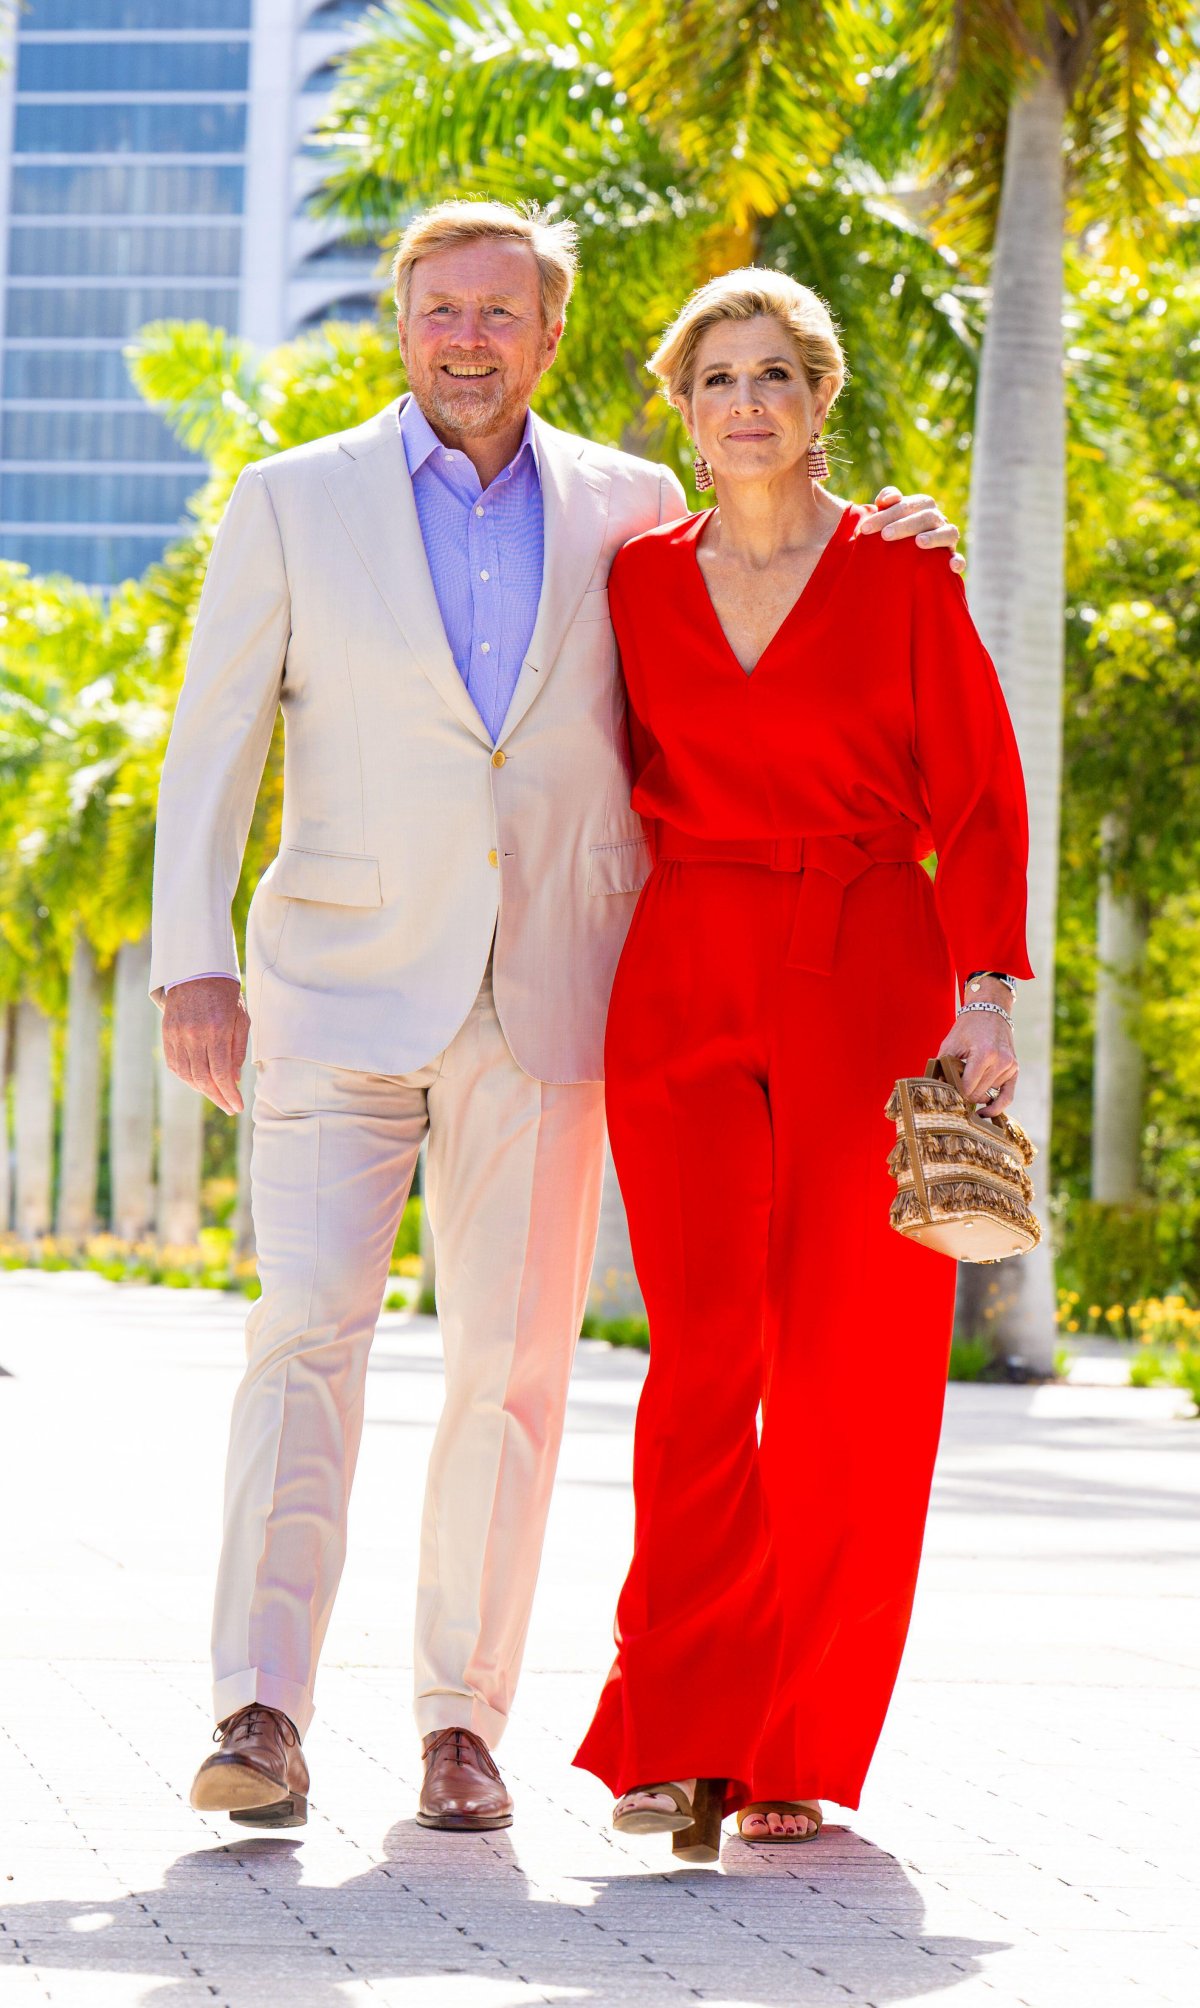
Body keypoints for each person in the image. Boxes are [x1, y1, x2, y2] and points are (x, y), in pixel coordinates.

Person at [150, 202, 963, 1836]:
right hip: (336, 983)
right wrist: (194, 965)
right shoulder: (293, 499)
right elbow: (215, 734)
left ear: (551, 334)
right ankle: (259, 1707)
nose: (468, 340)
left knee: (513, 1370)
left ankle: (463, 1724)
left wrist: (895, 531)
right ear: (401, 324)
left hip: (557, 991)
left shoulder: (631, 505)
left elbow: (759, 589)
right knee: (303, 1336)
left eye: (499, 313)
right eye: (440, 310)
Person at [573, 268, 1033, 1859]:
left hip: (867, 967)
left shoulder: (899, 567)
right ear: (682, 410)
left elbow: (978, 786)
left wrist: (985, 996)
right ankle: (672, 1732)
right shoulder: (637, 580)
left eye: (775, 373)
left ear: (823, 396)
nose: (747, 403)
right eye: (716, 379)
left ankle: (795, 1744)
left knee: (851, 1374)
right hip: (685, 970)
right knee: (702, 1365)